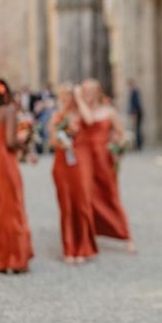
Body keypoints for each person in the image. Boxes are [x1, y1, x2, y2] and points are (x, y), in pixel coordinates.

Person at [0, 76, 34, 273]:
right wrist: (25, 142)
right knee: (13, 208)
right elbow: (10, 141)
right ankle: (15, 259)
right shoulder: (8, 111)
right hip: (5, 165)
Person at [74, 79, 136, 254]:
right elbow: (86, 120)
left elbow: (121, 134)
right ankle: (89, 234)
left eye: (91, 91)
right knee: (87, 197)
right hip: (85, 159)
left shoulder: (109, 111)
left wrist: (118, 149)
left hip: (103, 159)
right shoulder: (79, 111)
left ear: (99, 92)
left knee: (109, 196)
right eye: (85, 91)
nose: (88, 94)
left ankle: (125, 235)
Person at [49, 83, 98, 264]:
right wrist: (62, 143)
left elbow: (90, 120)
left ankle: (84, 247)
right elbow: (52, 141)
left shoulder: (81, 114)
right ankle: (69, 248)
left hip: (82, 162)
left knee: (82, 203)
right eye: (61, 96)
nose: (63, 99)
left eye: (66, 95)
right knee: (66, 205)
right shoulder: (57, 116)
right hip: (62, 164)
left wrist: (79, 98)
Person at [128, 79, 143, 151]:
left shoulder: (135, 91)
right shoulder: (135, 91)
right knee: (137, 129)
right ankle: (138, 145)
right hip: (136, 112)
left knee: (137, 129)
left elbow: (135, 104)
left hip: (136, 112)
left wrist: (134, 113)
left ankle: (138, 145)